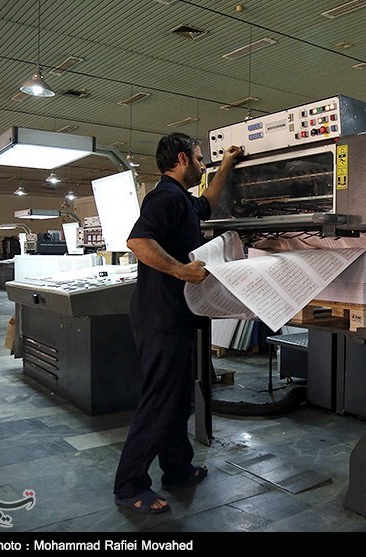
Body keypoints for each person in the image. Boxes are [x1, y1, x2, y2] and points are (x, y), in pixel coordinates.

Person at [113, 132, 243, 514]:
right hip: (161, 318)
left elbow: (207, 203)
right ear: (183, 159)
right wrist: (182, 270)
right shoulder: (164, 197)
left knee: (179, 399)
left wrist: (226, 165)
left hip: (177, 316)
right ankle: (129, 486)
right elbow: (138, 241)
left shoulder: (183, 199)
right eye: (201, 159)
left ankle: (177, 469)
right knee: (159, 402)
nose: (203, 166)